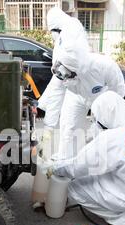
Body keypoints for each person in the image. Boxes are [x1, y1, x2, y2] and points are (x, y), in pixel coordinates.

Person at [44, 91, 125, 225]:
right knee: (104, 170)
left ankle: (118, 219)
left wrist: (55, 168)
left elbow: (77, 167)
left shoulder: (113, 139)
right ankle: (124, 208)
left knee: (74, 187)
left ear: (106, 115)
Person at [37, 8, 125, 160]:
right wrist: (47, 133)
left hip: (100, 97)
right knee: (68, 126)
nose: (65, 78)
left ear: (79, 68)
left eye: (69, 74)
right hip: (76, 96)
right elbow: (55, 100)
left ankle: (98, 164)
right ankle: (65, 160)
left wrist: (102, 119)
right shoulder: (62, 70)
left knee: (99, 136)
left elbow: (119, 93)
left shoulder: (104, 66)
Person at [36, 7, 90, 160]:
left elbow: (71, 59)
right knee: (61, 121)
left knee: (69, 123)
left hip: (75, 85)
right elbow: (55, 87)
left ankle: (69, 161)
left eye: (54, 29)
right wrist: (41, 106)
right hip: (65, 79)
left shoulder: (71, 29)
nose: (53, 33)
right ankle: (63, 156)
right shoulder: (64, 33)